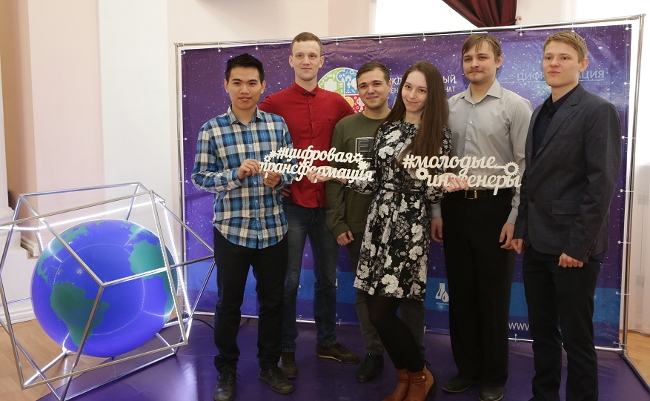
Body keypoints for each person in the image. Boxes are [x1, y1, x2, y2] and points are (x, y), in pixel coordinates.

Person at [311, 61, 468, 401]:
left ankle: (421, 376)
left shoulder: (438, 135)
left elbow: (431, 193)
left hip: (408, 230)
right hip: (377, 223)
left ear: (432, 95)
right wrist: (336, 174)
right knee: (373, 307)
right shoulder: (388, 128)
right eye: (408, 87)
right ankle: (406, 378)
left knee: (383, 312)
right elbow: (372, 181)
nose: (412, 95)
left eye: (421, 90)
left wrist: (444, 183)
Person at [512, 31, 622, 401]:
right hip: (537, 243)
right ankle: (543, 396)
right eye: (549, 57)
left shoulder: (598, 111)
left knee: (576, 338)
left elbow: (601, 185)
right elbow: (530, 177)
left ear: (582, 65)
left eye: (564, 58)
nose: (554, 64)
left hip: (573, 247)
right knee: (542, 332)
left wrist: (578, 247)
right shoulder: (539, 111)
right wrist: (521, 228)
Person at [191, 53, 295, 401]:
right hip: (231, 231)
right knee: (228, 305)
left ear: (263, 85)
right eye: (237, 82)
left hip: (273, 229)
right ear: (226, 85)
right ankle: (226, 370)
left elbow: (292, 171)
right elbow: (200, 178)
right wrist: (234, 175)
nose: (244, 90)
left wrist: (280, 178)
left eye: (252, 83)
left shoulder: (277, 125)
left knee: (273, 303)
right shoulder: (212, 129)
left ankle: (269, 365)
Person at [435, 34, 532, 401]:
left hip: (496, 209)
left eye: (482, 57)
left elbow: (524, 166)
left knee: (492, 296)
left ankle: (493, 376)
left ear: (498, 61)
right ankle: (467, 369)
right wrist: (437, 210)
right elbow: (438, 163)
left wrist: (515, 217)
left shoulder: (515, 106)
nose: (474, 64)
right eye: (468, 58)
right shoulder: (448, 107)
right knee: (461, 293)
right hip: (455, 207)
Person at [259, 32, 358, 379]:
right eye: (299, 55)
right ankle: (287, 348)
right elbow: (256, 141)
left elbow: (354, 144)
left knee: (327, 280)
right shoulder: (273, 103)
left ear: (321, 61)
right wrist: (275, 178)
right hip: (292, 206)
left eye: (311, 55)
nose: (305, 61)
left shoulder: (338, 104)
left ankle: (326, 342)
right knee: (288, 282)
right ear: (290, 60)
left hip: (328, 205)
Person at [325, 61, 427, 383]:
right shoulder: (346, 126)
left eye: (377, 84)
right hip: (359, 225)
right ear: (357, 90)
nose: (370, 90)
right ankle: (375, 353)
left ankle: (415, 359)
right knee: (365, 295)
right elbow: (335, 176)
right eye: (364, 85)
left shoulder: (407, 123)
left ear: (389, 85)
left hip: (404, 228)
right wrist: (337, 222)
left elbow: (430, 179)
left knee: (408, 297)